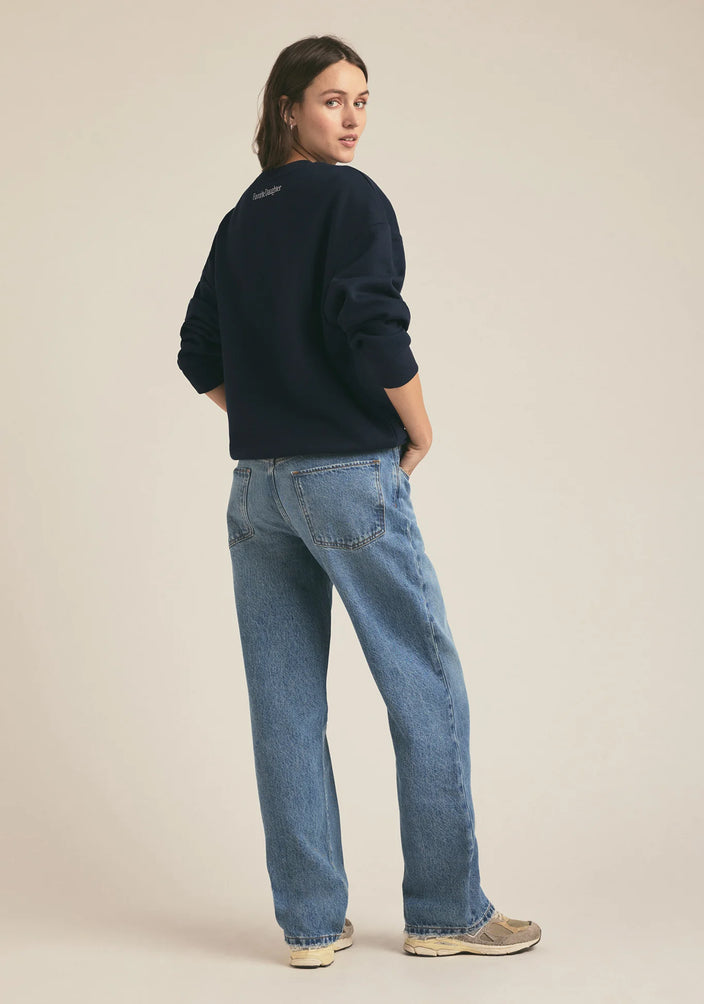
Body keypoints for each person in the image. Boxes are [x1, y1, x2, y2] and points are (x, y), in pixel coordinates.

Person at [177, 34, 541, 969]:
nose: (352, 119)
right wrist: (419, 428)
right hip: (346, 475)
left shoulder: (240, 218)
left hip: (257, 488)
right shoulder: (351, 198)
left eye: (363, 101)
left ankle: (309, 926)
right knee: (424, 682)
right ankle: (446, 911)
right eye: (332, 99)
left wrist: (272, 416)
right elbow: (374, 322)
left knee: (284, 705)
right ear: (288, 107)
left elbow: (196, 351)